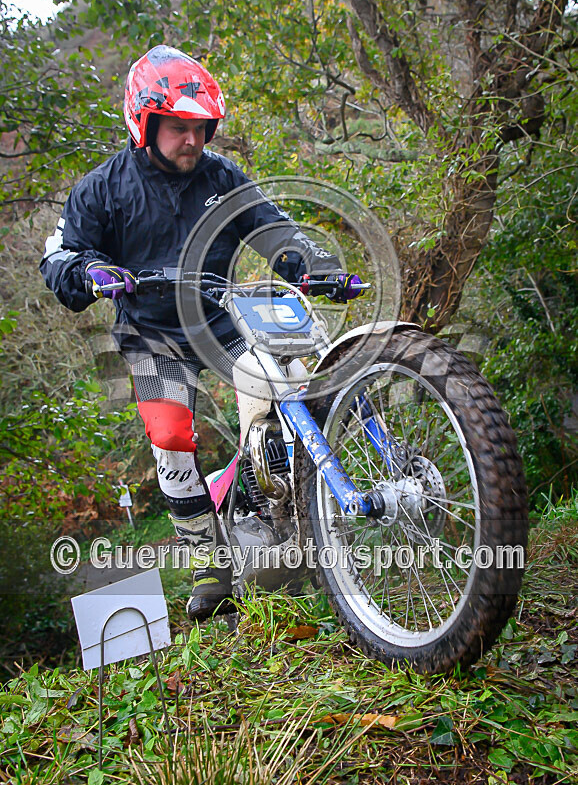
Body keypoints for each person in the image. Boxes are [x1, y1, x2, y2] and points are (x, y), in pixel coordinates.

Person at [40, 45, 362, 620]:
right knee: (170, 437)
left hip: (222, 318)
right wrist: (89, 271)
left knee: (282, 392)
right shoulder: (103, 188)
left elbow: (272, 229)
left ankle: (291, 519)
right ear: (144, 121)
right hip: (151, 329)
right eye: (179, 128)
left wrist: (316, 267)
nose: (192, 140)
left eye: (201, 128)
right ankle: (210, 569)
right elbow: (60, 255)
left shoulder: (222, 176)